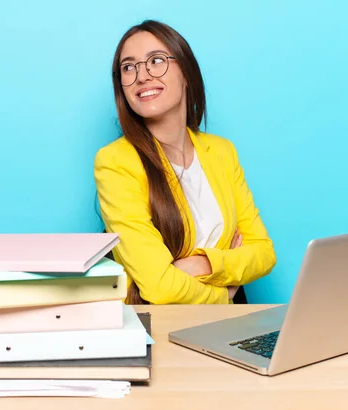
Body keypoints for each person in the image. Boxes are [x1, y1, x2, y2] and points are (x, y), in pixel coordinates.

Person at [94, 20, 276, 305]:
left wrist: (202, 265)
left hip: (230, 326)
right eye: (129, 67)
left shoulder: (222, 151)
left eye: (156, 61)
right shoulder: (116, 162)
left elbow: (264, 253)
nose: (142, 76)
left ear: (186, 73)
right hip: (161, 327)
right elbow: (159, 287)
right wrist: (226, 292)